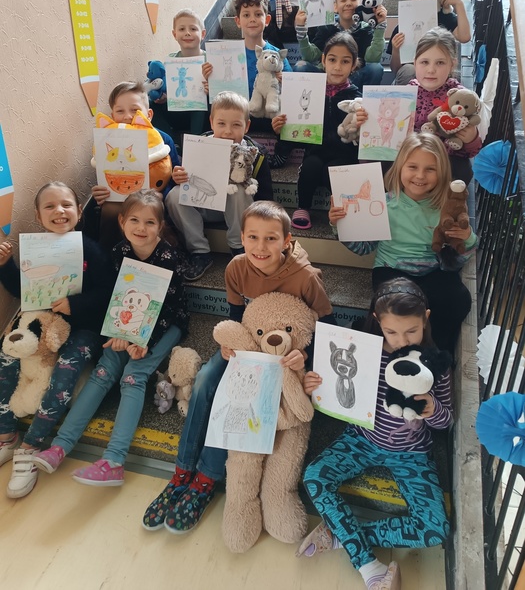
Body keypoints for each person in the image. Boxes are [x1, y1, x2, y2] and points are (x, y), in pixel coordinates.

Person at [142, 199, 335, 534]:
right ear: (242, 238)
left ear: (286, 241)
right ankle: (182, 472)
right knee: (206, 380)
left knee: (241, 401)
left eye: (271, 238)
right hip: (248, 349)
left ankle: (206, 478)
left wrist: (305, 355)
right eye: (253, 237)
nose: (261, 247)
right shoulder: (236, 268)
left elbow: (328, 328)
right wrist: (229, 344)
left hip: (286, 358)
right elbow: (236, 317)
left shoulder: (306, 278)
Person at [297, 277, 451, 590]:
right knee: (314, 476)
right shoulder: (364, 353)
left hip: (411, 453)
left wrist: (433, 408)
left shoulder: (435, 364)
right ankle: (369, 567)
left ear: (426, 319)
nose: (401, 341)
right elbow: (336, 391)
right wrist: (313, 386)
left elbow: (446, 421)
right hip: (361, 440)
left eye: (411, 331)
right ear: (378, 321)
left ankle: (342, 536)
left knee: (435, 529)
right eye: (391, 331)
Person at [34, 189, 189, 486]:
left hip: (165, 324)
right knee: (104, 372)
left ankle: (114, 460)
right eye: (134, 220)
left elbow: (167, 309)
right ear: (121, 222)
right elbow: (117, 299)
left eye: (150, 222)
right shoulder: (119, 252)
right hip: (127, 322)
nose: (141, 228)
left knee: (133, 376)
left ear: (160, 226)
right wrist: (119, 333)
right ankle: (60, 446)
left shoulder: (169, 258)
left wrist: (141, 341)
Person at [0, 182, 114, 498]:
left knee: (68, 363)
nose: (59, 211)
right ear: (38, 216)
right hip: (43, 324)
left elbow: (109, 293)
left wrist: (75, 304)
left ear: (78, 212)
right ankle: (6, 433)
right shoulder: (35, 250)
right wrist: (5, 266)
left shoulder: (91, 250)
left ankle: (31, 446)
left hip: (85, 329)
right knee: (7, 353)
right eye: (49, 206)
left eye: (66, 205)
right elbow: (21, 291)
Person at [330, 132, 475, 353]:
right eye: (413, 167)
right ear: (400, 168)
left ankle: (437, 353)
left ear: (442, 172)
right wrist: (340, 225)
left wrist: (467, 238)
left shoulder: (447, 208)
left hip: (433, 270)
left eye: (430, 169)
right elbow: (363, 248)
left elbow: (457, 260)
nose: (420, 175)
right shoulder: (382, 204)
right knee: (396, 304)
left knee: (458, 298)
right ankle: (383, 349)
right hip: (391, 270)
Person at [164, 91, 273, 281]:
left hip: (238, 212)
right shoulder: (199, 145)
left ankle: (239, 247)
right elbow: (187, 179)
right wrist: (178, 176)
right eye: (221, 123)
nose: (227, 131)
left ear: (247, 126)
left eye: (236, 125)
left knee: (238, 189)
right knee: (174, 195)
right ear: (212, 122)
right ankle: (199, 251)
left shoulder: (256, 154)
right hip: (204, 205)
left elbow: (266, 198)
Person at [271, 32, 368, 230]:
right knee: (310, 166)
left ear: (353, 65)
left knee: (334, 170)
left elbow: (362, 138)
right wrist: (281, 129)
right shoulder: (310, 91)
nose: (337, 67)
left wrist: (362, 124)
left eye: (345, 61)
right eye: (332, 60)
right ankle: (303, 207)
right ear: (323, 60)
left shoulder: (356, 99)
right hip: (315, 153)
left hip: (344, 157)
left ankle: (342, 210)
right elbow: (296, 133)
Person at [85, 81, 180, 252]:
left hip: (153, 197)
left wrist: (162, 193)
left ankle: (160, 256)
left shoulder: (163, 139)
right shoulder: (107, 141)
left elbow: (173, 177)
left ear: (149, 114)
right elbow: (106, 174)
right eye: (120, 111)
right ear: (112, 115)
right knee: (110, 209)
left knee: (151, 210)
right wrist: (101, 192)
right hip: (119, 198)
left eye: (135, 110)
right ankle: (108, 257)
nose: (127, 116)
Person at [409, 27, 481, 183]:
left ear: (452, 65)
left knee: (463, 170)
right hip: (413, 157)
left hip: (446, 160)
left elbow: (472, 151)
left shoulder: (461, 98)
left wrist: (471, 138)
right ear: (415, 63)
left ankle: (449, 197)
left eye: (440, 63)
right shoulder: (407, 92)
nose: (431, 70)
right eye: (424, 62)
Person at [293, 0, 387, 92]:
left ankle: (360, 101)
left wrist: (380, 27)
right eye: (343, 0)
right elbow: (310, 56)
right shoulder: (326, 27)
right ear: (335, 6)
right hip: (327, 78)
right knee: (301, 66)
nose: (348, 3)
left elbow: (372, 59)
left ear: (361, 3)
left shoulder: (366, 28)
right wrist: (301, 29)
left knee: (375, 68)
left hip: (354, 80)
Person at [387, 0, 471, 85]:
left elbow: (465, 37)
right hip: (410, 79)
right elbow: (395, 69)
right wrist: (395, 49)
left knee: (444, 69)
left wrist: (459, 4)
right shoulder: (403, 26)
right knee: (409, 69)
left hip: (436, 72)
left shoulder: (445, 17)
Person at [150, 8, 208, 141]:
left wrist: (211, 90)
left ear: (203, 34)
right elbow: (169, 89)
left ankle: (195, 142)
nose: (187, 33)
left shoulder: (210, 60)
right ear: (174, 34)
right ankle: (170, 142)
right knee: (151, 105)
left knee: (199, 102)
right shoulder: (171, 61)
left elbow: (220, 93)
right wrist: (164, 97)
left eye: (193, 29)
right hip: (178, 112)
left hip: (203, 115)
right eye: (182, 29)